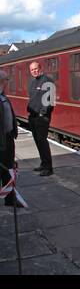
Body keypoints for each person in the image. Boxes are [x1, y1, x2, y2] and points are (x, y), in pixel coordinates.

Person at [27, 61, 54, 176]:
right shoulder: (32, 82)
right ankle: (43, 163)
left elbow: (50, 100)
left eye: (36, 69)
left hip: (42, 117)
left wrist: (43, 114)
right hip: (32, 117)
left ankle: (48, 168)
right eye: (32, 70)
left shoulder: (47, 81)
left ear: (40, 68)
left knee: (42, 141)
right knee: (37, 141)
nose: (34, 71)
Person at [1, 70, 18, 206]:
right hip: (1, 141)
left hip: (7, 138)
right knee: (4, 169)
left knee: (8, 170)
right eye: (6, 79)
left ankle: (10, 198)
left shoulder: (3, 96)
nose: (8, 82)